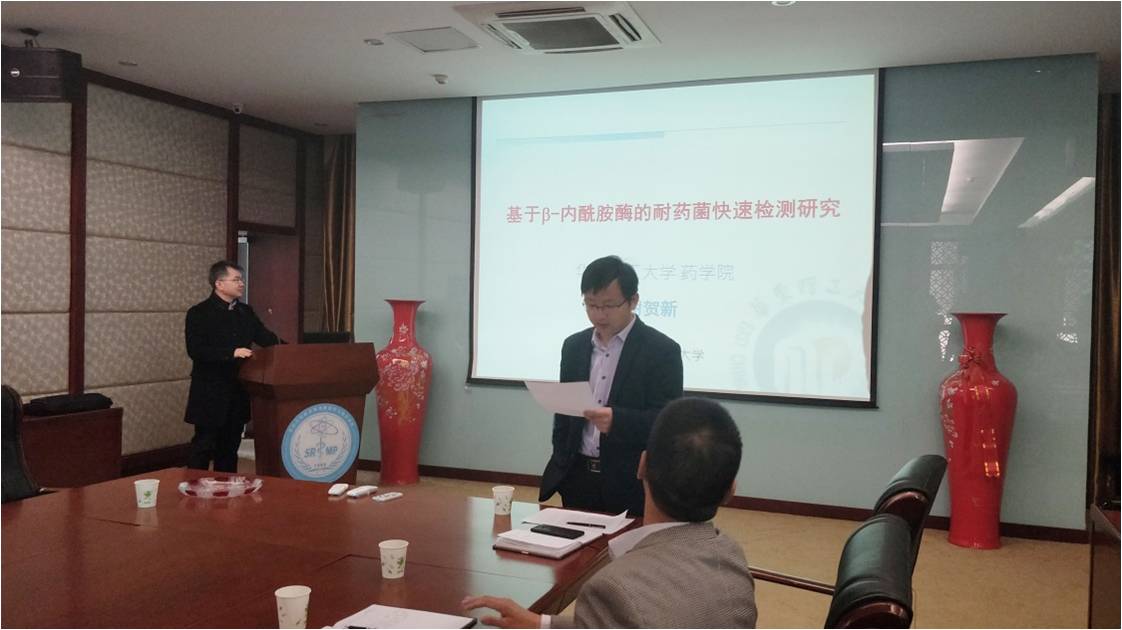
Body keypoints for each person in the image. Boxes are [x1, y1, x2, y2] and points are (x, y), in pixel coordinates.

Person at [464, 397, 757, 628]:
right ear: (730, 489)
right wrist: (542, 624)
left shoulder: (614, 587)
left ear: (642, 465)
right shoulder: (733, 558)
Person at [538, 255, 683, 517]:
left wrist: (618, 420)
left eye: (608, 306)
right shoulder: (573, 347)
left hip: (629, 481)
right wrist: (561, 458)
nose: (599, 314)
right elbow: (564, 416)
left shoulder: (661, 351)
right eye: (591, 305)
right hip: (577, 477)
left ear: (633, 300)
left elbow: (668, 422)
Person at [183, 260, 280, 472]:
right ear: (219, 284)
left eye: (241, 279)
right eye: (236, 279)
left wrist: (291, 351)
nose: (241, 283)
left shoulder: (245, 312)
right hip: (210, 391)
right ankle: (192, 488)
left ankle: (225, 488)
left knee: (229, 447)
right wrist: (231, 353)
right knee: (204, 445)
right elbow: (196, 350)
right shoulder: (199, 313)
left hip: (238, 390)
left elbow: (266, 338)